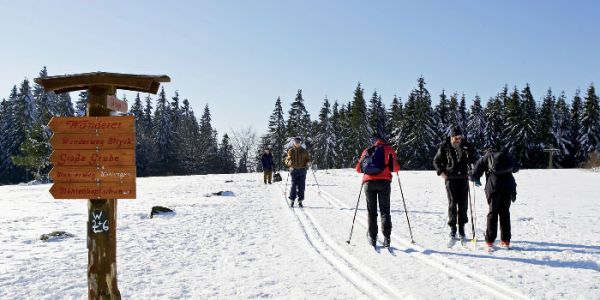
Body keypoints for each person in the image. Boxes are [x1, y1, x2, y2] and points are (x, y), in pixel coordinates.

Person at [433, 126, 477, 241]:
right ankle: (453, 228)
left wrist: (472, 167)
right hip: (450, 178)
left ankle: (461, 228)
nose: (457, 140)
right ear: (451, 137)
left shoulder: (466, 145)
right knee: (452, 203)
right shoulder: (445, 145)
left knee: (463, 204)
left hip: (463, 178)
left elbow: (474, 158)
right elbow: (436, 160)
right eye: (455, 138)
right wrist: (441, 172)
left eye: (459, 138)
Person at [355, 138, 401, 248]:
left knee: (372, 211)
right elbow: (395, 168)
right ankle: (387, 238)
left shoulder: (367, 150)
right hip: (384, 182)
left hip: (368, 183)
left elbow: (358, 169)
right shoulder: (388, 149)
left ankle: (373, 237)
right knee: (385, 210)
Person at [470, 148, 518, 249]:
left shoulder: (486, 157)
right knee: (505, 212)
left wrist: (475, 178)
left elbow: (475, 172)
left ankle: (490, 241)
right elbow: (516, 167)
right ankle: (505, 241)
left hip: (494, 187)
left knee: (493, 213)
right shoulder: (507, 155)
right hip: (508, 187)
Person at [285, 137, 311, 208]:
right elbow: (287, 159)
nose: (297, 143)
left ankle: (300, 201)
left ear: (300, 143)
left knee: (301, 187)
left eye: (298, 142)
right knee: (293, 186)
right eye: (296, 142)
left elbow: (308, 159)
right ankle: (292, 200)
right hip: (294, 170)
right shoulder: (291, 151)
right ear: (293, 142)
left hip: (302, 171)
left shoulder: (304, 151)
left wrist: (308, 163)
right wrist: (288, 162)